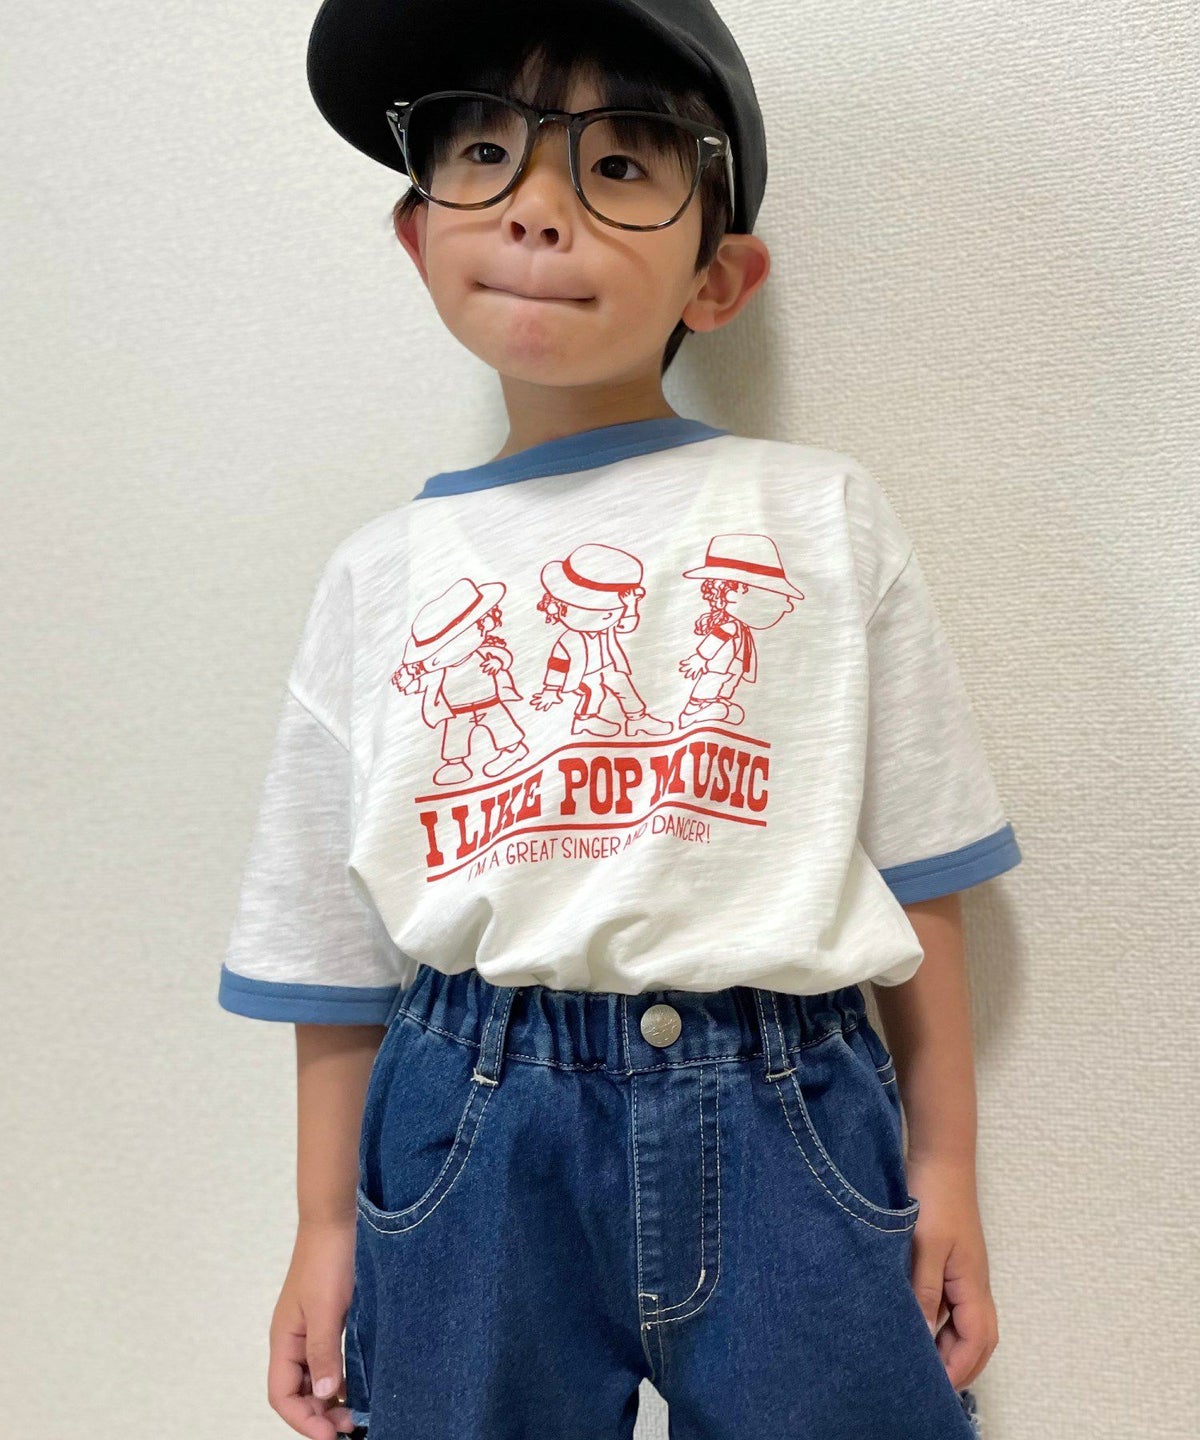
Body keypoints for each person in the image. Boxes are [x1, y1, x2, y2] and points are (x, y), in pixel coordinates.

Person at [218, 1, 1021, 1436]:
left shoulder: (817, 518)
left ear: (719, 279)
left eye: (621, 165)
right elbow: (330, 952)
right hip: (470, 1133)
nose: (538, 206)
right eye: (483, 151)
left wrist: (946, 1166)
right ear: (416, 234)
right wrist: (324, 1226)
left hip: (785, 1112)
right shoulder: (375, 579)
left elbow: (924, 871)